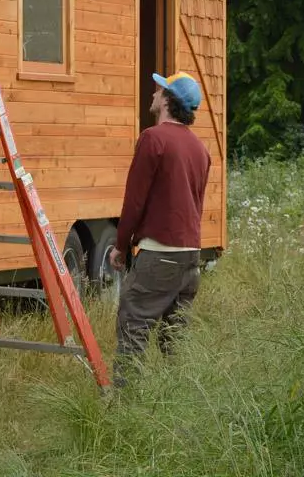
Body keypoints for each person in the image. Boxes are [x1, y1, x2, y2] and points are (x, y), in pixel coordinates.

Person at [108, 71, 212, 384]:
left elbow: (135, 200)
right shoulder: (200, 149)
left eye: (158, 90)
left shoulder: (154, 138)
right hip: (190, 256)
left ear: (167, 100)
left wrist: (121, 246)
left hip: (159, 254)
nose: (153, 94)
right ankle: (179, 404)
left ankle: (125, 411)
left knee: (134, 326)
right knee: (175, 338)